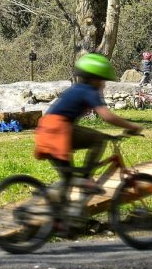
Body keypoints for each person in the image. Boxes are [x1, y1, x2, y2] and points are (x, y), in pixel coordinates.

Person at [34, 53, 141, 193]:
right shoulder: (89, 91)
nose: (103, 84)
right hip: (59, 130)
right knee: (99, 139)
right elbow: (107, 116)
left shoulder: (75, 89)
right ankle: (86, 178)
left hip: (45, 131)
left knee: (68, 180)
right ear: (94, 78)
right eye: (102, 80)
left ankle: (52, 202)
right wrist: (132, 126)